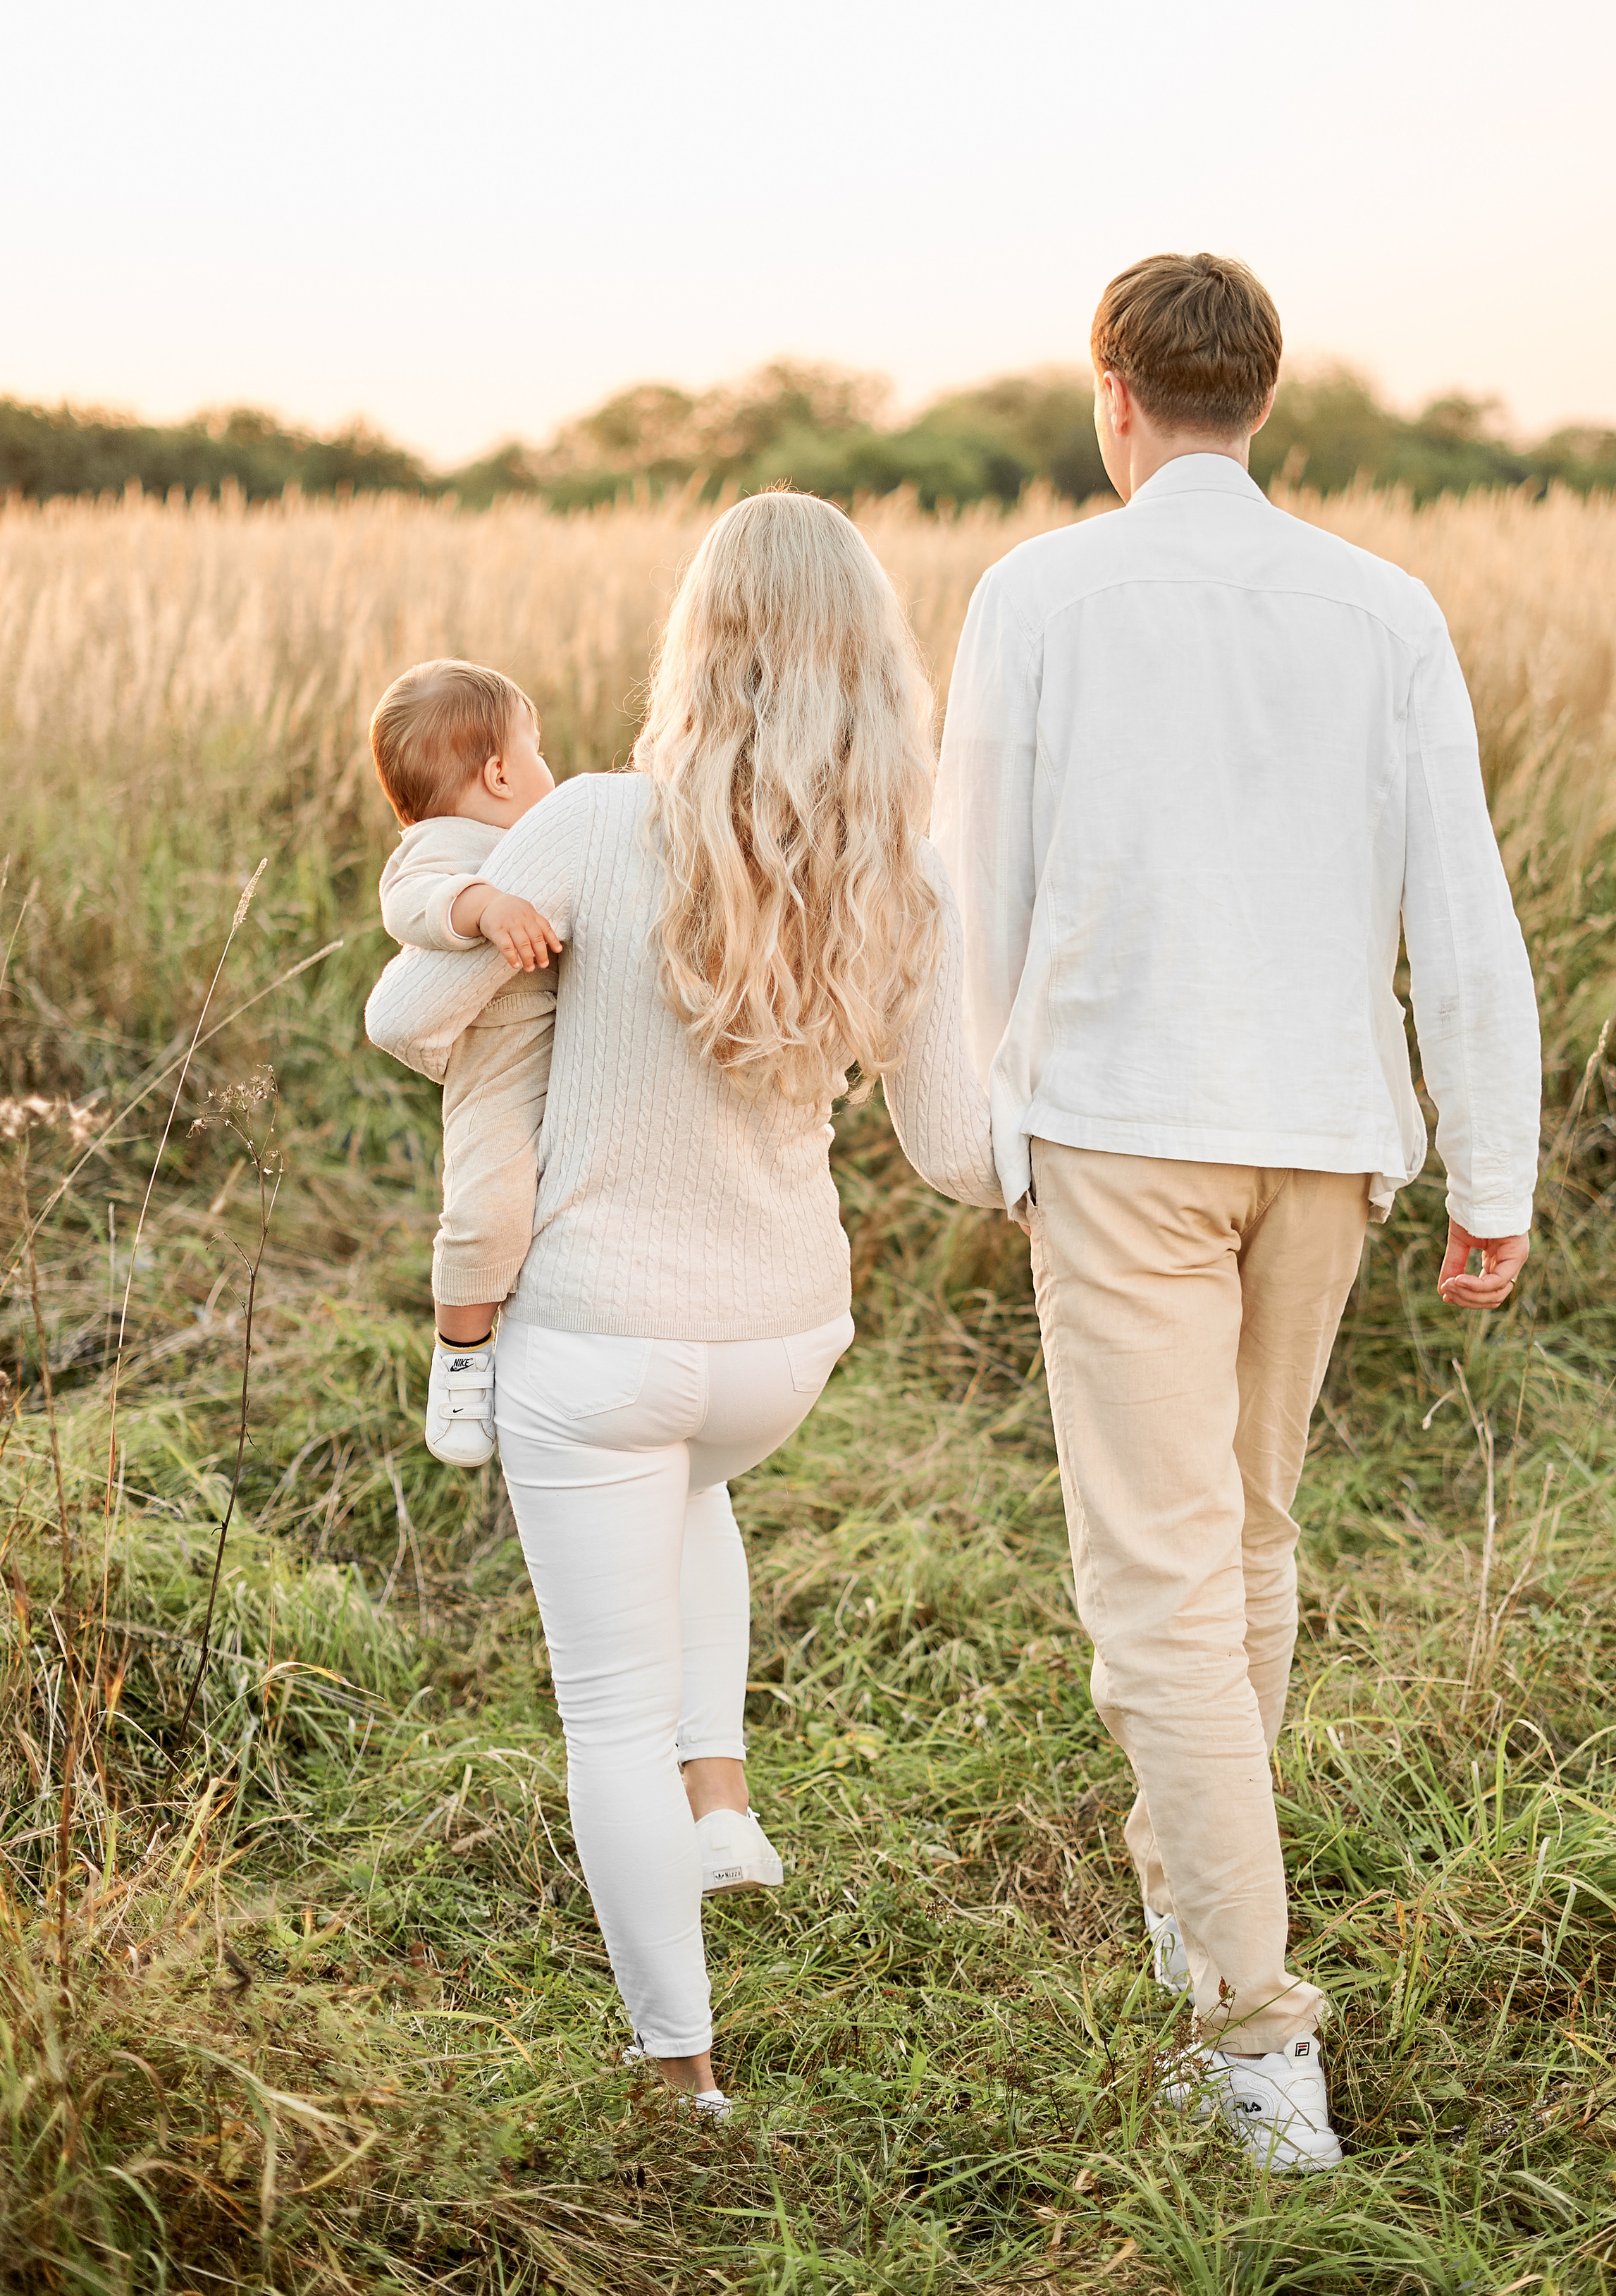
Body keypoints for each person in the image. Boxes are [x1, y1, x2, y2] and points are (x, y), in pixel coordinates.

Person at [931, 253, 1541, 2172]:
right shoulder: (1386, 609)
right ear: (1258, 399)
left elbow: (981, 888)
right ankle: (1211, 1907)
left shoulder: (1038, 592)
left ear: (1114, 392)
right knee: (1245, 1535)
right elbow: (1463, 902)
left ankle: (1256, 2029)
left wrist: (985, 1138)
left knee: (1161, 1579)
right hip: (1329, 1135)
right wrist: (1492, 1163)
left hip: (1128, 1121)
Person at [365, 492, 1001, 2116]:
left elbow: (405, 1015)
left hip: (595, 1340)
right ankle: (721, 1796)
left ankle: (677, 2070)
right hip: (779, 1345)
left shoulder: (586, 820)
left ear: (694, 642)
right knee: (693, 1479)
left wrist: (492, 928)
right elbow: (952, 1155)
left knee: (602, 1714)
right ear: (868, 660)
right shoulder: (907, 867)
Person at [369, 660, 567, 1466]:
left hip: (564, 1050)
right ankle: (460, 1358)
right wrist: (484, 907)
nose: (548, 767)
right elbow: (407, 902)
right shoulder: (443, 845)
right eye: (538, 749)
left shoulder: (543, 836)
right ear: (497, 773)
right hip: (499, 1059)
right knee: (487, 1207)